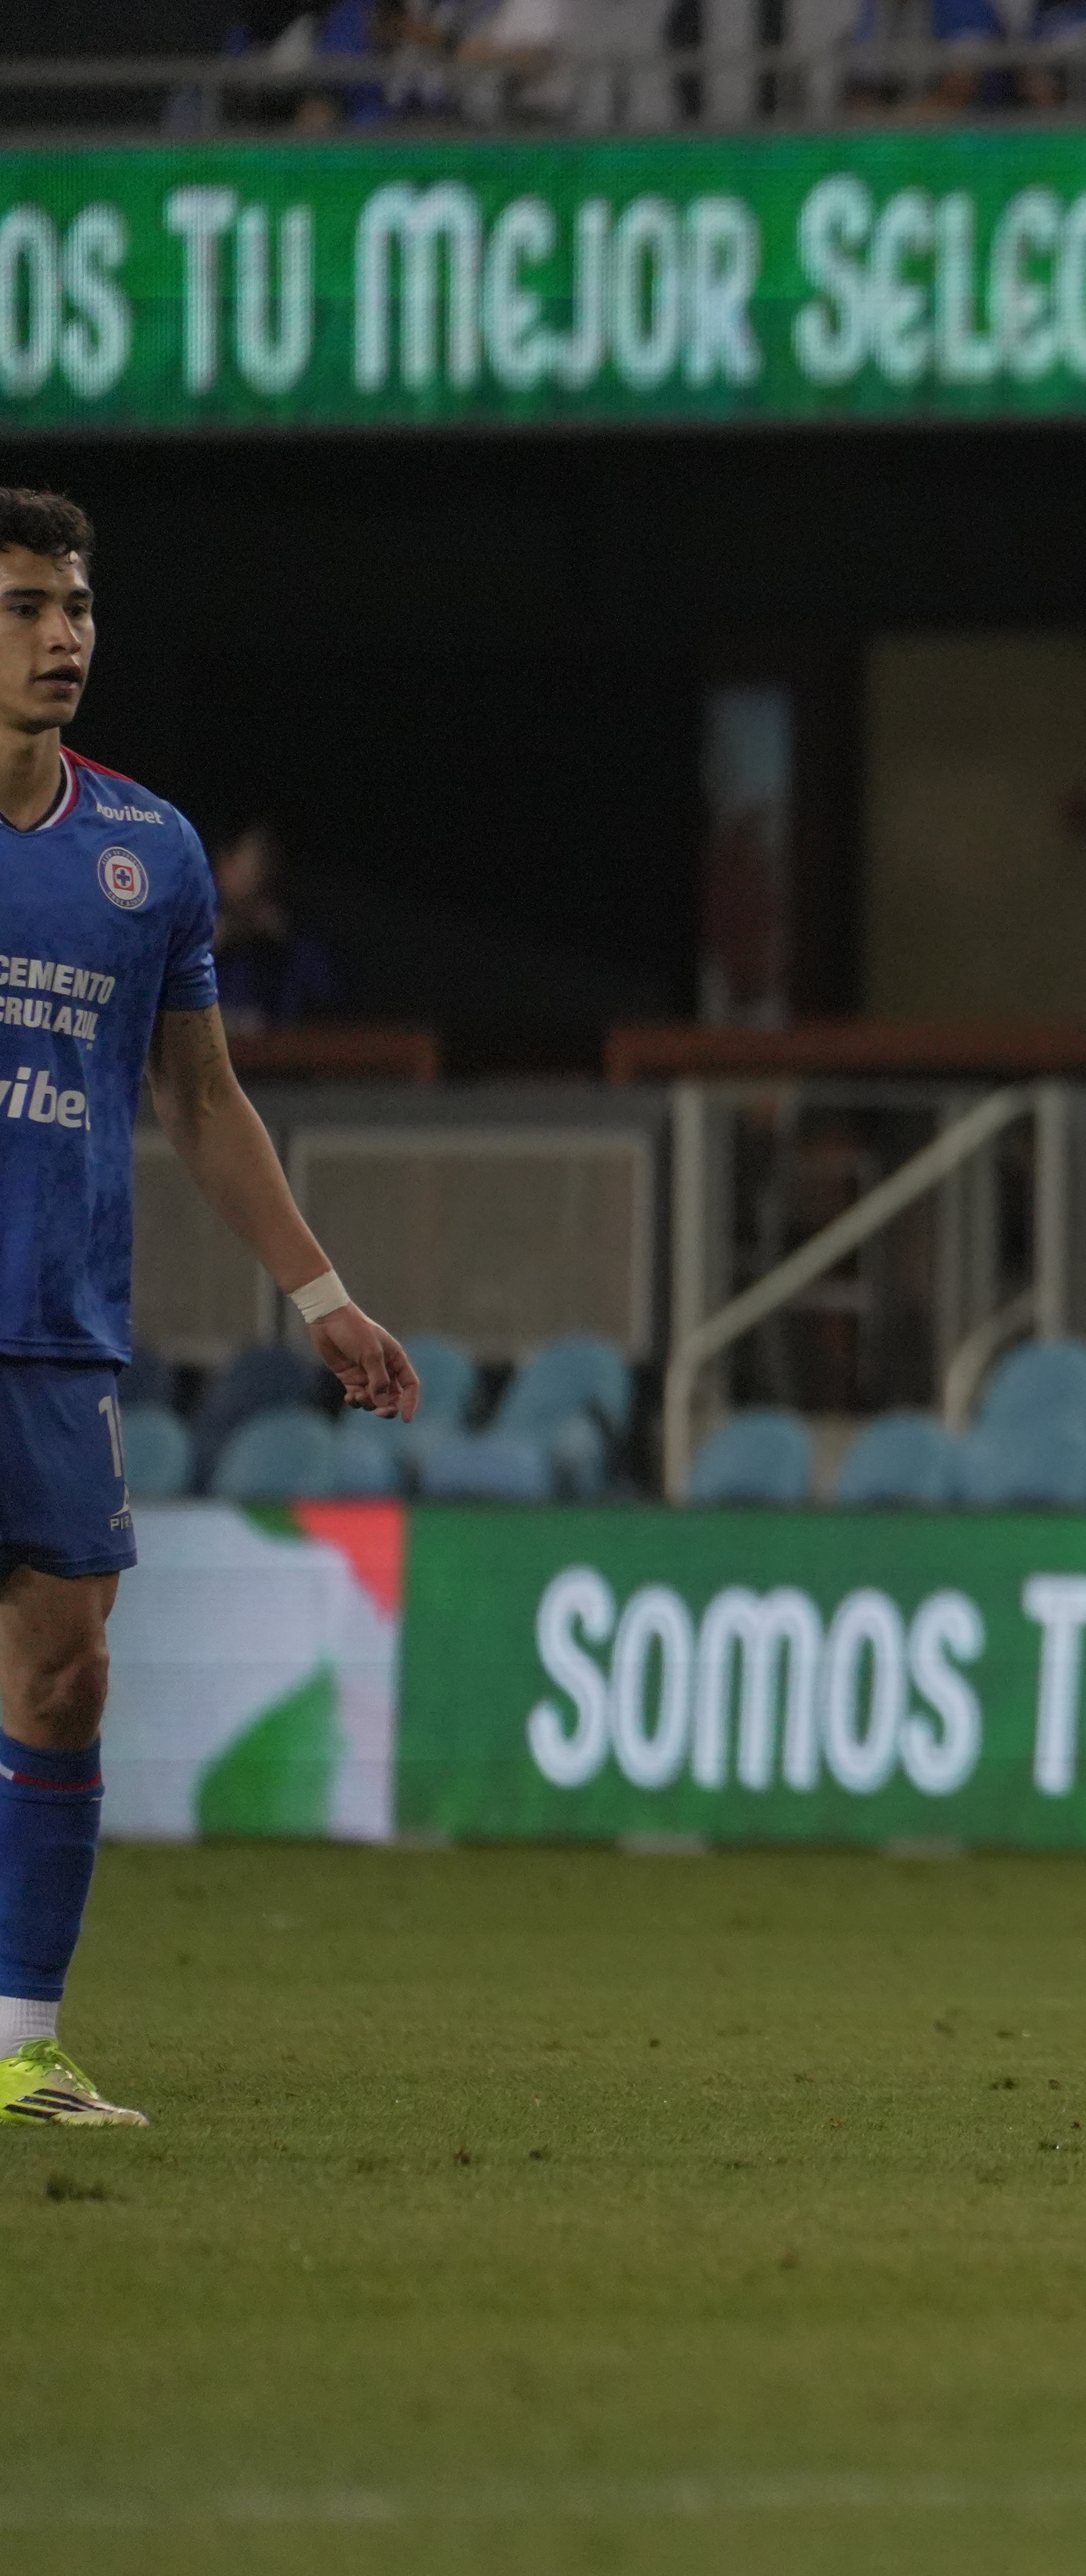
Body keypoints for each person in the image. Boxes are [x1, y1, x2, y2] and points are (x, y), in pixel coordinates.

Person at [0, 490, 419, 2128]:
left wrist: (317, 1292)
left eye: (77, 607)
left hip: (52, 1330)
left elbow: (203, 1098)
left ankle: (21, 2043)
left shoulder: (148, 854)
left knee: (66, 1676)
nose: (63, 637)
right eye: (28, 605)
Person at [209, 822, 339, 1032]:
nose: (266, 876)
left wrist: (283, 945)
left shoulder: (292, 936)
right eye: (258, 863)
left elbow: (328, 1000)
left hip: (273, 1057)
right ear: (226, 865)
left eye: (271, 864)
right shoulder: (191, 927)